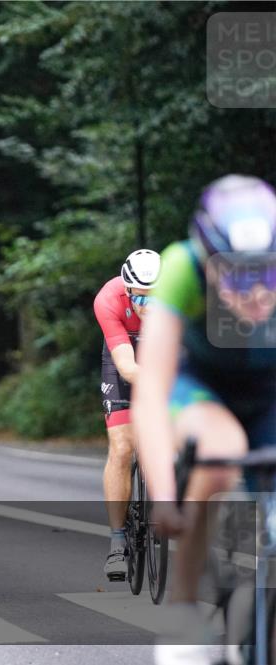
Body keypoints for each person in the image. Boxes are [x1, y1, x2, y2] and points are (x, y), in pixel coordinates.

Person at [132, 175, 276, 665]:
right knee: (220, 453)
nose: (256, 292)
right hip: (199, 389)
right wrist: (165, 494)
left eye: (269, 274)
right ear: (208, 260)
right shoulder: (181, 268)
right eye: (237, 276)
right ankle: (184, 605)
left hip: (269, 391)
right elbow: (149, 390)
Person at [93, 249, 161, 580]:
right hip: (126, 356)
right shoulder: (109, 299)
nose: (148, 305)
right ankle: (117, 542)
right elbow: (127, 366)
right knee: (122, 446)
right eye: (142, 299)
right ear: (128, 289)